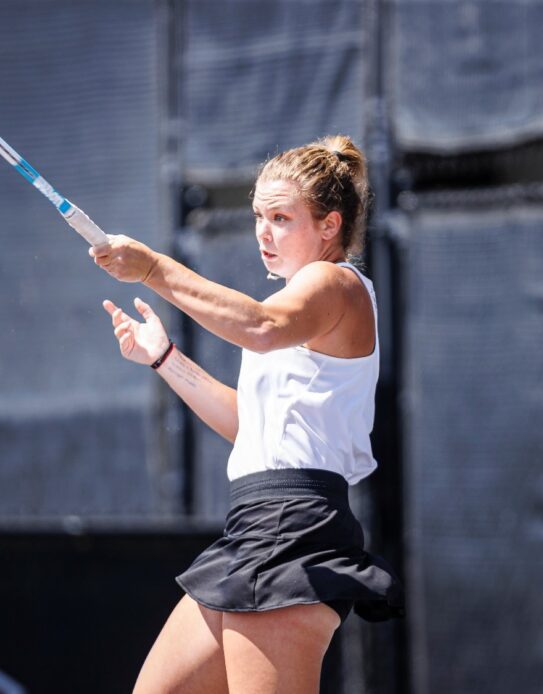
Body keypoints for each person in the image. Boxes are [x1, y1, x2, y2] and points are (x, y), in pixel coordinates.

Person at [91, 134, 403, 693]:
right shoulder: (302, 303)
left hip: (292, 527)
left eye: (282, 217)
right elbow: (250, 428)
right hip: (253, 525)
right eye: (259, 215)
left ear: (330, 225)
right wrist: (164, 358)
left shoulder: (333, 282)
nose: (264, 231)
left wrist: (153, 268)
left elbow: (261, 327)